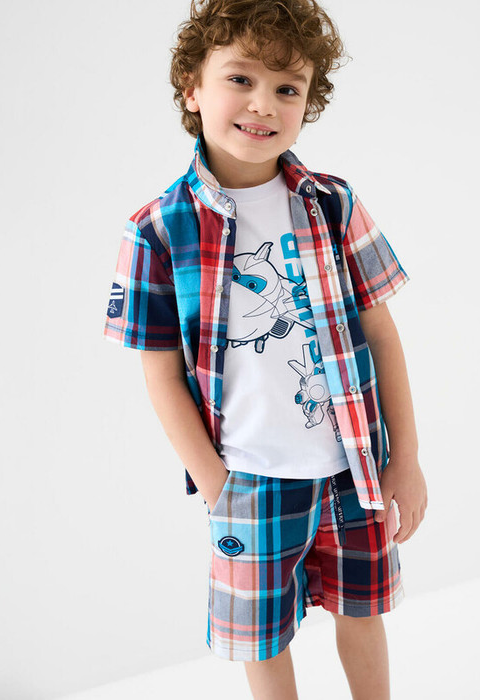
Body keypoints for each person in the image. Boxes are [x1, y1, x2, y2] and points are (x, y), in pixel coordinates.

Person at [103, 0, 428, 697]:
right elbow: (159, 372)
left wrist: (404, 458)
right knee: (262, 637)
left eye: (287, 87)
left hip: (354, 472)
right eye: (240, 79)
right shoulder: (157, 229)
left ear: (308, 102)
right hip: (248, 481)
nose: (263, 104)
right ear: (192, 88)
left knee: (362, 611)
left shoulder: (333, 204)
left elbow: (380, 333)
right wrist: (216, 484)